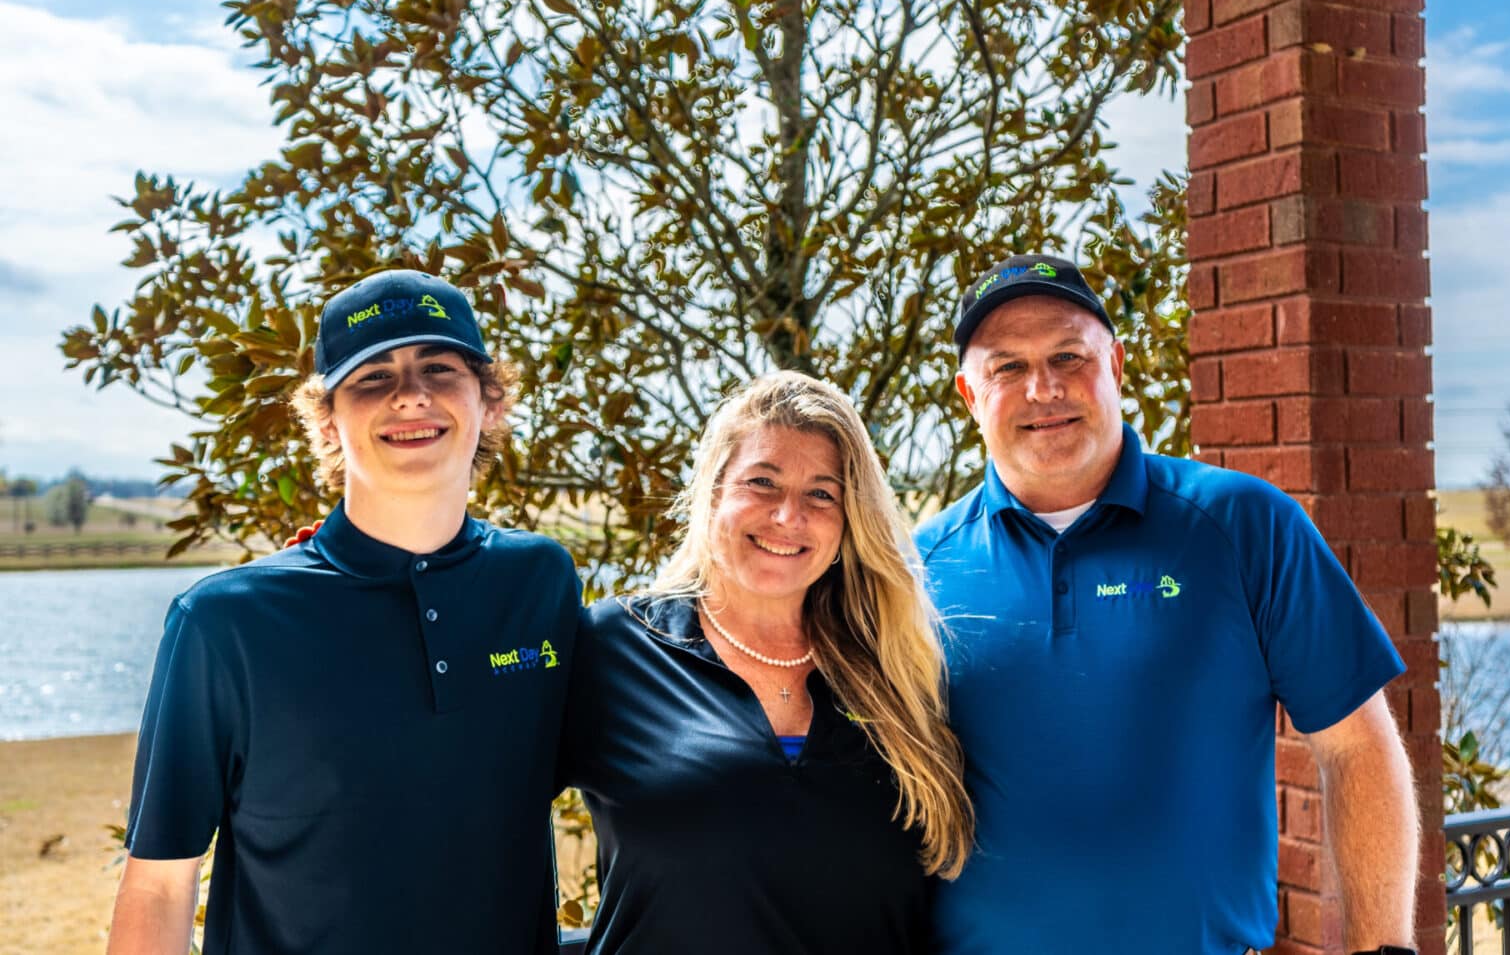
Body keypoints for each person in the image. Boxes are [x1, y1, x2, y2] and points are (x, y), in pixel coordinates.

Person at [915, 254, 1420, 955]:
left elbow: (1357, 746)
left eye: (1069, 354)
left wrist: (1382, 949)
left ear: (1116, 366)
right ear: (970, 395)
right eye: (1006, 367)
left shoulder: (1246, 525)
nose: (1044, 387)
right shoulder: (914, 571)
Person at [107, 270, 580, 954]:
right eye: (372, 377)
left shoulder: (542, 581)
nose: (410, 394)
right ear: (326, 421)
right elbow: (159, 885)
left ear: (491, 402)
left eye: (439, 368)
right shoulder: (223, 623)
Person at [559, 371, 974, 953]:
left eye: (821, 494)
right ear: (713, 492)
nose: (788, 516)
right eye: (762, 482)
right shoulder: (614, 647)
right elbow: (480, 810)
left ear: (849, 520)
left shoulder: (895, 669)